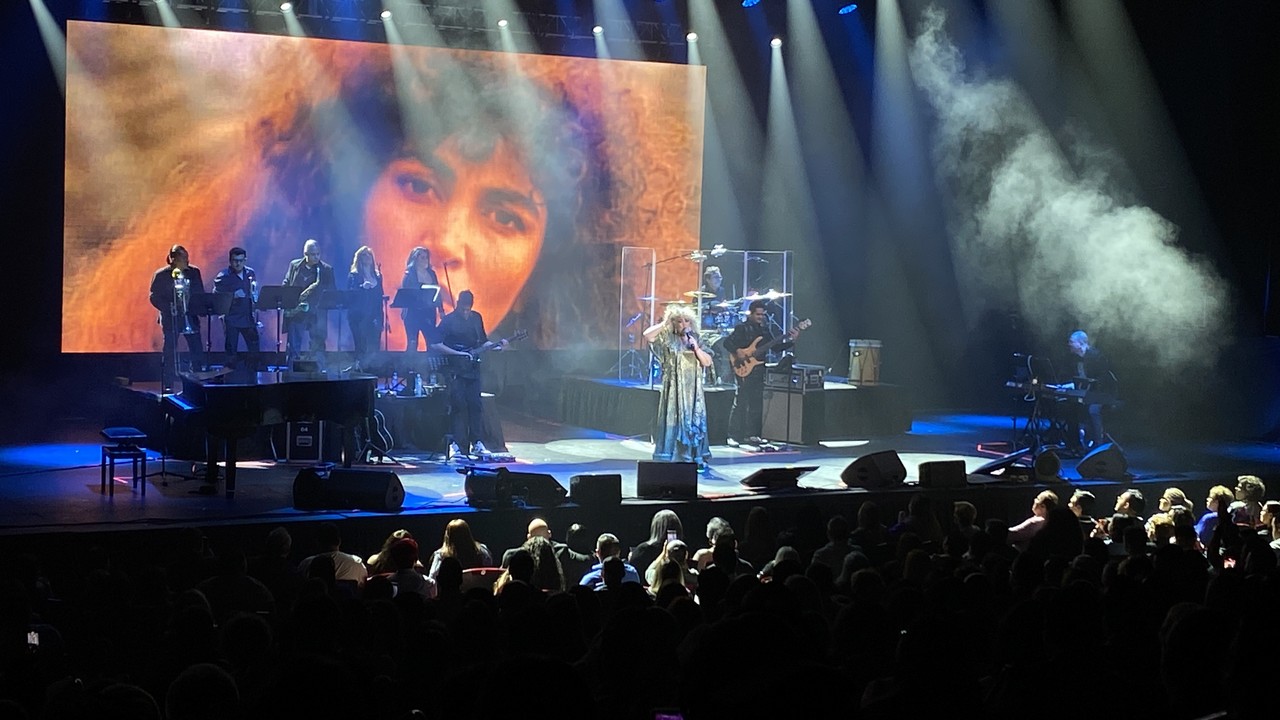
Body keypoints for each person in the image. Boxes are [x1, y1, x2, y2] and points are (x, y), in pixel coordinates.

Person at [432, 290, 506, 458]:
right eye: (463, 309)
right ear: (458, 304)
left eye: (468, 309)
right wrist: (457, 354)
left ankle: (477, 442)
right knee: (458, 405)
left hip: (473, 369)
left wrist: (497, 346)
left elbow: (483, 341)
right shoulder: (448, 320)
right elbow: (435, 344)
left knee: (476, 405)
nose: (466, 312)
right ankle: (456, 444)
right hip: (455, 370)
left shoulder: (476, 318)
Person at [721, 299, 800, 445]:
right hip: (743, 368)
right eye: (758, 314)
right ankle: (733, 436)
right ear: (750, 314)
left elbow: (775, 348)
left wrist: (792, 341)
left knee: (757, 403)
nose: (761, 317)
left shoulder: (765, 330)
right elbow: (727, 342)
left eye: (763, 315)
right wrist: (738, 351)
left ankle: (753, 434)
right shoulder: (741, 328)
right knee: (741, 402)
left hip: (758, 369)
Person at [642, 303, 712, 467]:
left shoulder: (697, 339)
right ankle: (672, 455)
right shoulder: (666, 339)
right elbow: (647, 336)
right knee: (673, 419)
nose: (683, 324)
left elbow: (707, 362)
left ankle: (695, 456)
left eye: (686, 321)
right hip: (673, 388)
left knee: (695, 421)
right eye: (679, 321)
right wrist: (665, 322)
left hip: (693, 390)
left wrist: (696, 349)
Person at [148, 244, 206, 382]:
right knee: (170, 349)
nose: (187, 261)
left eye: (187, 257)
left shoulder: (194, 272)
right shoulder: (161, 275)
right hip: (170, 317)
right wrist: (168, 307)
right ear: (173, 259)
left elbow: (199, 293)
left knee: (196, 347)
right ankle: (169, 378)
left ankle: (197, 375)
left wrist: (198, 308)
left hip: (190, 317)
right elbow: (154, 296)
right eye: (183, 258)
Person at [282, 238, 336, 363]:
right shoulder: (294, 265)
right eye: (313, 254)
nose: (316, 257)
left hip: (317, 312)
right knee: (294, 346)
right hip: (297, 310)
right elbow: (286, 283)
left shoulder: (326, 269)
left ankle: (320, 373)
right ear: (305, 254)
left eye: (318, 254)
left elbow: (332, 292)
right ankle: (291, 373)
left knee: (318, 346)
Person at [1065, 330, 1117, 448]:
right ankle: (1074, 442)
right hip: (1088, 392)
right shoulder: (1075, 359)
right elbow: (1080, 379)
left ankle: (1098, 443)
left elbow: (1103, 381)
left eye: (1071, 342)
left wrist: (1085, 392)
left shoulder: (1096, 357)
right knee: (1070, 406)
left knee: (1093, 409)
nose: (1069, 344)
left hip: (1103, 392)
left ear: (1081, 343)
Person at [212, 246, 259, 373]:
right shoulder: (223, 276)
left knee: (254, 348)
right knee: (231, 351)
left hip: (247, 316)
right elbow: (216, 298)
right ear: (230, 261)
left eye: (241, 260)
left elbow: (254, 291)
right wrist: (233, 295)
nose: (238, 263)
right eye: (235, 261)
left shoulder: (250, 273)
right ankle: (229, 379)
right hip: (231, 318)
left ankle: (254, 377)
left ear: (245, 260)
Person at [400, 246, 447, 353]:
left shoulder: (432, 274)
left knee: (432, 342)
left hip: (429, 312)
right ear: (415, 259)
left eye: (426, 257)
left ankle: (430, 367)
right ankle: (410, 367)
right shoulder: (409, 275)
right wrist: (404, 309)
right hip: (413, 314)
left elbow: (437, 292)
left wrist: (441, 310)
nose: (425, 260)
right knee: (412, 343)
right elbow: (407, 294)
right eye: (422, 257)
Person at [345, 245, 384, 369]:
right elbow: (349, 295)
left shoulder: (377, 276)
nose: (367, 258)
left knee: (374, 346)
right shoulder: (354, 275)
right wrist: (362, 287)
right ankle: (360, 372)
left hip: (374, 316)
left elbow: (380, 297)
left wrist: (381, 318)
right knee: (361, 345)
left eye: (369, 255)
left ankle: (372, 372)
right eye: (364, 255)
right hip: (358, 317)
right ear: (359, 258)